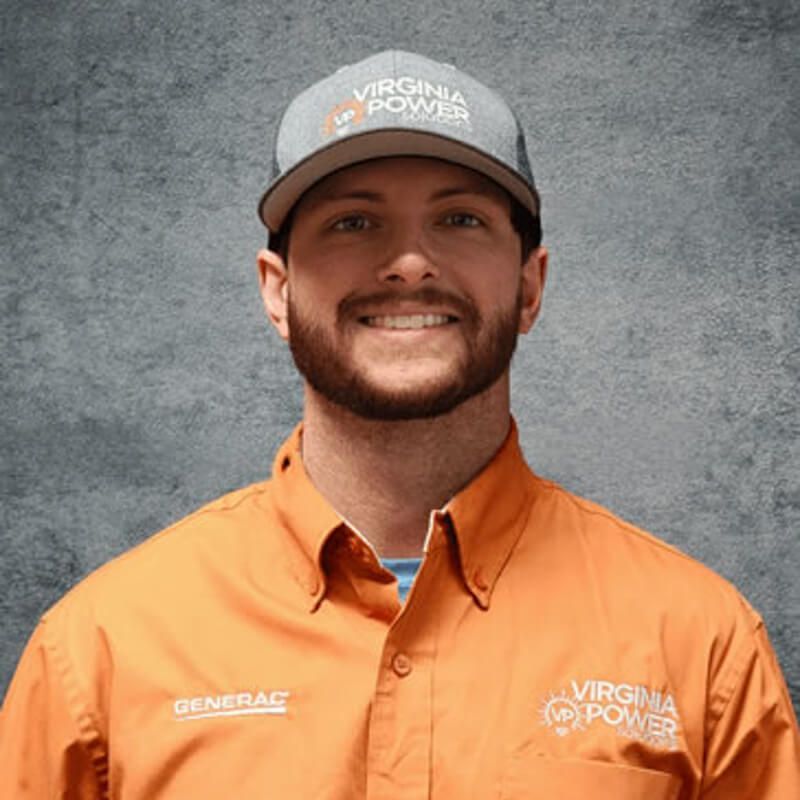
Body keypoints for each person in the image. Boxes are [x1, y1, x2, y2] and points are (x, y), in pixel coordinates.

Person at [1, 50, 797, 799]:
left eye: (459, 220)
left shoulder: (700, 645)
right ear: (276, 291)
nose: (410, 262)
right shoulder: (100, 650)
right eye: (353, 222)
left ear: (529, 285)